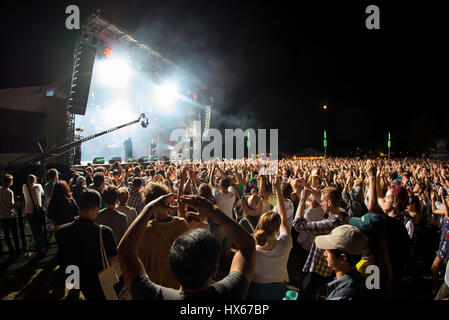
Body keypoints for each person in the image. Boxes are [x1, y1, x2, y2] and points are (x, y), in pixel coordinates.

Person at [118, 194, 256, 300]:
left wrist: (150, 207)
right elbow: (248, 245)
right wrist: (213, 210)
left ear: (174, 267)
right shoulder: (231, 293)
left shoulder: (155, 296)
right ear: (215, 271)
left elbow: (125, 251)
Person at [58, 188, 117, 300]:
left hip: (74, 276)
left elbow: (64, 257)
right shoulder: (104, 232)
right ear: (96, 208)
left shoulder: (62, 231)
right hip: (98, 281)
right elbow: (114, 256)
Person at [293, 183, 347, 301]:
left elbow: (297, 224)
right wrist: (310, 188)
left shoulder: (330, 224)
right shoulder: (342, 213)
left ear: (329, 203)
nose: (319, 203)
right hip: (326, 266)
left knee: (306, 294)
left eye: (322, 201)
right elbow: (325, 203)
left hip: (318, 268)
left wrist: (302, 200)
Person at [247, 177, 293, 300]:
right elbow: (283, 216)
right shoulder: (286, 242)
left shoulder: (254, 251)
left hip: (257, 289)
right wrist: (277, 189)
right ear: (277, 228)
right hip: (279, 287)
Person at [137, 182, 189, 289]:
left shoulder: (146, 230)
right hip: (180, 286)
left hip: (157, 287)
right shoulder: (181, 224)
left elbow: (142, 262)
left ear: (148, 203)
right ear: (167, 200)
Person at [314, 224, 368, 300]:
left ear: (342, 258)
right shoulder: (360, 280)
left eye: (328, 251)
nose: (324, 254)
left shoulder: (341, 297)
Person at [22, 174, 47, 256]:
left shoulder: (24, 187)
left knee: (35, 231)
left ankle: (40, 248)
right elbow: (43, 194)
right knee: (41, 230)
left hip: (28, 212)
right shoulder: (38, 186)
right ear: (35, 180)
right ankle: (44, 247)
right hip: (38, 211)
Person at [0, 173, 21, 256]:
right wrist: (17, 204)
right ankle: (18, 251)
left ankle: (11, 251)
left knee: (7, 236)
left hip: (2, 216)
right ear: (9, 182)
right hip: (10, 216)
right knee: (15, 235)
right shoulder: (9, 192)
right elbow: (10, 205)